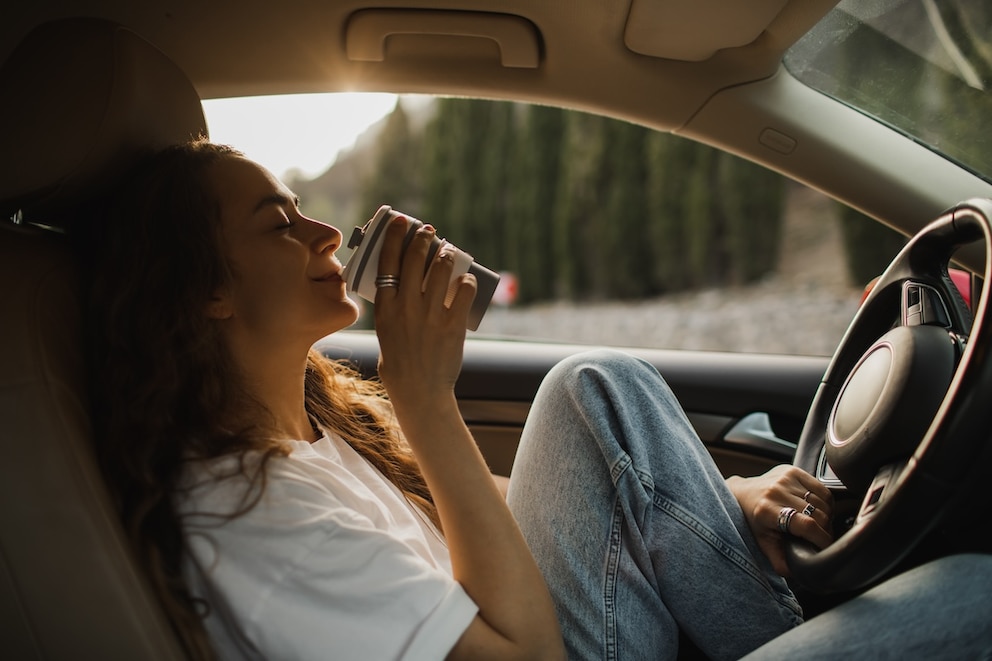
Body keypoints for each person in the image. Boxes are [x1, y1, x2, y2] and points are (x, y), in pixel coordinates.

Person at [77, 138, 992, 660]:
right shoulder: (254, 519)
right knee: (972, 591)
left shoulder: (309, 436)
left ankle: (798, 616)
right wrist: (428, 398)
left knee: (593, 387)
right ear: (206, 289)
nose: (321, 226)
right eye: (279, 223)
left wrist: (716, 503)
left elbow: (504, 518)